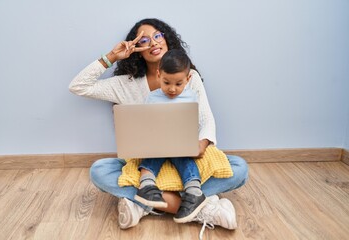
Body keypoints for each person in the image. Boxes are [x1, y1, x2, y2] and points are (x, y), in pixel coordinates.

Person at [69, 18, 248, 231]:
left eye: (157, 36)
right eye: (145, 40)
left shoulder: (190, 77)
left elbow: (206, 118)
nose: (153, 43)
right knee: (99, 171)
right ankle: (200, 208)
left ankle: (145, 205)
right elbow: (78, 86)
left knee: (239, 168)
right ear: (137, 49)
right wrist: (112, 57)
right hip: (147, 164)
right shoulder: (125, 84)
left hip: (186, 158)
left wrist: (202, 144)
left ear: (166, 39)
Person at [135, 49, 207, 223]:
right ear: (159, 75)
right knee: (152, 154)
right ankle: (147, 186)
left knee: (184, 158)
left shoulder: (192, 96)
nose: (172, 89)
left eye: (179, 84)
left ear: (188, 80)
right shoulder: (152, 98)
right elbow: (146, 123)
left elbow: (196, 123)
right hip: (158, 143)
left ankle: (194, 192)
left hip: (181, 143)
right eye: (166, 82)